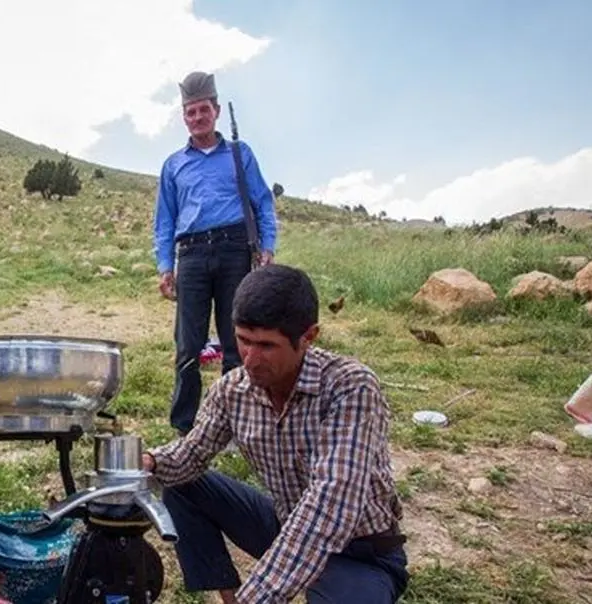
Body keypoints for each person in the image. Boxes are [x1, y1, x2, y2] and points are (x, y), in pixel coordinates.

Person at [141, 265, 410, 604]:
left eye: (267, 345)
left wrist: (260, 596)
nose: (250, 359)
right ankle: (228, 594)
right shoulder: (233, 390)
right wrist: (149, 462)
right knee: (178, 480)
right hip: (285, 523)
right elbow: (189, 456)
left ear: (308, 337)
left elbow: (331, 506)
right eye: (243, 340)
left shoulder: (349, 387)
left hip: (357, 551)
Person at [153, 70, 279, 435]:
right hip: (190, 255)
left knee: (235, 344)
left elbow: (263, 203)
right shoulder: (173, 164)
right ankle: (185, 428)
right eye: (190, 112)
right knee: (187, 346)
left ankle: (237, 425)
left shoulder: (241, 154)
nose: (197, 118)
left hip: (234, 251)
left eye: (203, 110)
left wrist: (267, 247)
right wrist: (165, 266)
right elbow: (165, 220)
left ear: (217, 110)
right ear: (183, 117)